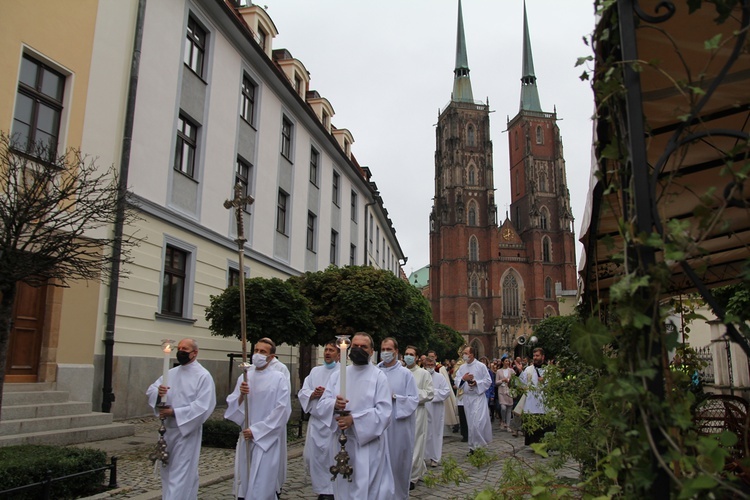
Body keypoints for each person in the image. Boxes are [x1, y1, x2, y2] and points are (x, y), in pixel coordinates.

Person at [313, 332, 395, 499]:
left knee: (365, 489)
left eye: (363, 347)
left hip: (367, 444)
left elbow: (384, 412)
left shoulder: (379, 377)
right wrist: (334, 404)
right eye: (355, 346)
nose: (358, 349)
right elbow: (322, 404)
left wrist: (354, 420)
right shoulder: (338, 375)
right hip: (341, 442)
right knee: (343, 488)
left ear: (372, 351)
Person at [146, 338, 216, 500]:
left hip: (186, 432)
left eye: (185, 348)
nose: (181, 351)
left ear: (195, 353)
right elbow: (151, 391)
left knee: (181, 474)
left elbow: (203, 406)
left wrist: (175, 412)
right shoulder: (171, 373)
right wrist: (159, 393)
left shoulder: (203, 376)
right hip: (167, 432)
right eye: (179, 348)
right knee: (168, 473)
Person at [224, 338, 291, 500]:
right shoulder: (245, 376)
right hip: (246, 437)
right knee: (245, 481)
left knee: (262, 484)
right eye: (256, 351)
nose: (258, 355)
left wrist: (256, 430)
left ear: (271, 356)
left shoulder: (278, 378)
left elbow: (282, 410)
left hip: (266, 438)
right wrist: (241, 394)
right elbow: (233, 406)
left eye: (263, 352)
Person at [298, 341, 339, 500]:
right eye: (326, 350)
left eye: (331, 350)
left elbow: (344, 394)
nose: (327, 352)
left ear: (337, 354)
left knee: (331, 456)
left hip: (331, 423)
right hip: (316, 423)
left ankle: (332, 490)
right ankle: (321, 489)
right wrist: (313, 394)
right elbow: (303, 391)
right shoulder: (315, 371)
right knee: (314, 457)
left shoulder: (342, 372)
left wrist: (328, 397)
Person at [378, 337, 418, 497]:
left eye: (389, 349)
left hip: (398, 425)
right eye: (383, 349)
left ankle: (399, 495)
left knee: (397, 463)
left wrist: (396, 398)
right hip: (379, 425)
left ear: (396, 351)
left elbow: (413, 399)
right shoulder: (376, 372)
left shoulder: (405, 374)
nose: (385, 353)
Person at [404, 345, 434, 489]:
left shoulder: (423, 374)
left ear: (416, 358)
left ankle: (413, 477)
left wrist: (412, 393)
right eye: (406, 354)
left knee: (416, 443)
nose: (408, 356)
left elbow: (429, 393)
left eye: (411, 354)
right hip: (402, 412)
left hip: (417, 412)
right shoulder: (401, 372)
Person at [454, 346, 492, 454]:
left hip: (478, 397)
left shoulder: (481, 366)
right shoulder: (462, 368)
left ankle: (479, 446)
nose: (464, 355)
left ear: (472, 354)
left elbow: (488, 381)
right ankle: (472, 447)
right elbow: (457, 381)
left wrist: (476, 383)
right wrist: (463, 379)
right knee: (470, 423)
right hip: (467, 398)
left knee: (478, 422)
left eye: (466, 353)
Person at [516, 347, 549, 446]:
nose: (535, 358)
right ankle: (534, 444)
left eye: (537, 355)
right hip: (531, 402)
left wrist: (545, 381)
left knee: (544, 425)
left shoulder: (549, 370)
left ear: (543, 357)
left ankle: (545, 444)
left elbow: (553, 384)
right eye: (534, 356)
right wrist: (520, 372)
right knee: (533, 426)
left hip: (544, 401)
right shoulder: (528, 369)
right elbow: (522, 384)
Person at [423, 356, 450, 467]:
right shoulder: (421, 376)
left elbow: (446, 391)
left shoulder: (440, 377)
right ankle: (423, 457)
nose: (430, 367)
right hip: (424, 407)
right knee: (424, 432)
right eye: (428, 365)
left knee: (436, 432)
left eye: (432, 365)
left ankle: (435, 457)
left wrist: (432, 394)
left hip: (436, 409)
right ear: (424, 365)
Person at [495, 355, 515, 431]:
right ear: (503, 362)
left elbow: (515, 381)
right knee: (503, 408)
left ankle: (508, 425)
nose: (507, 362)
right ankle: (503, 420)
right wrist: (502, 380)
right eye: (506, 361)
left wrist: (510, 382)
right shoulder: (499, 371)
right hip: (501, 391)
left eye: (508, 361)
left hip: (509, 391)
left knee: (509, 408)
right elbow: (496, 382)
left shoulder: (511, 371)